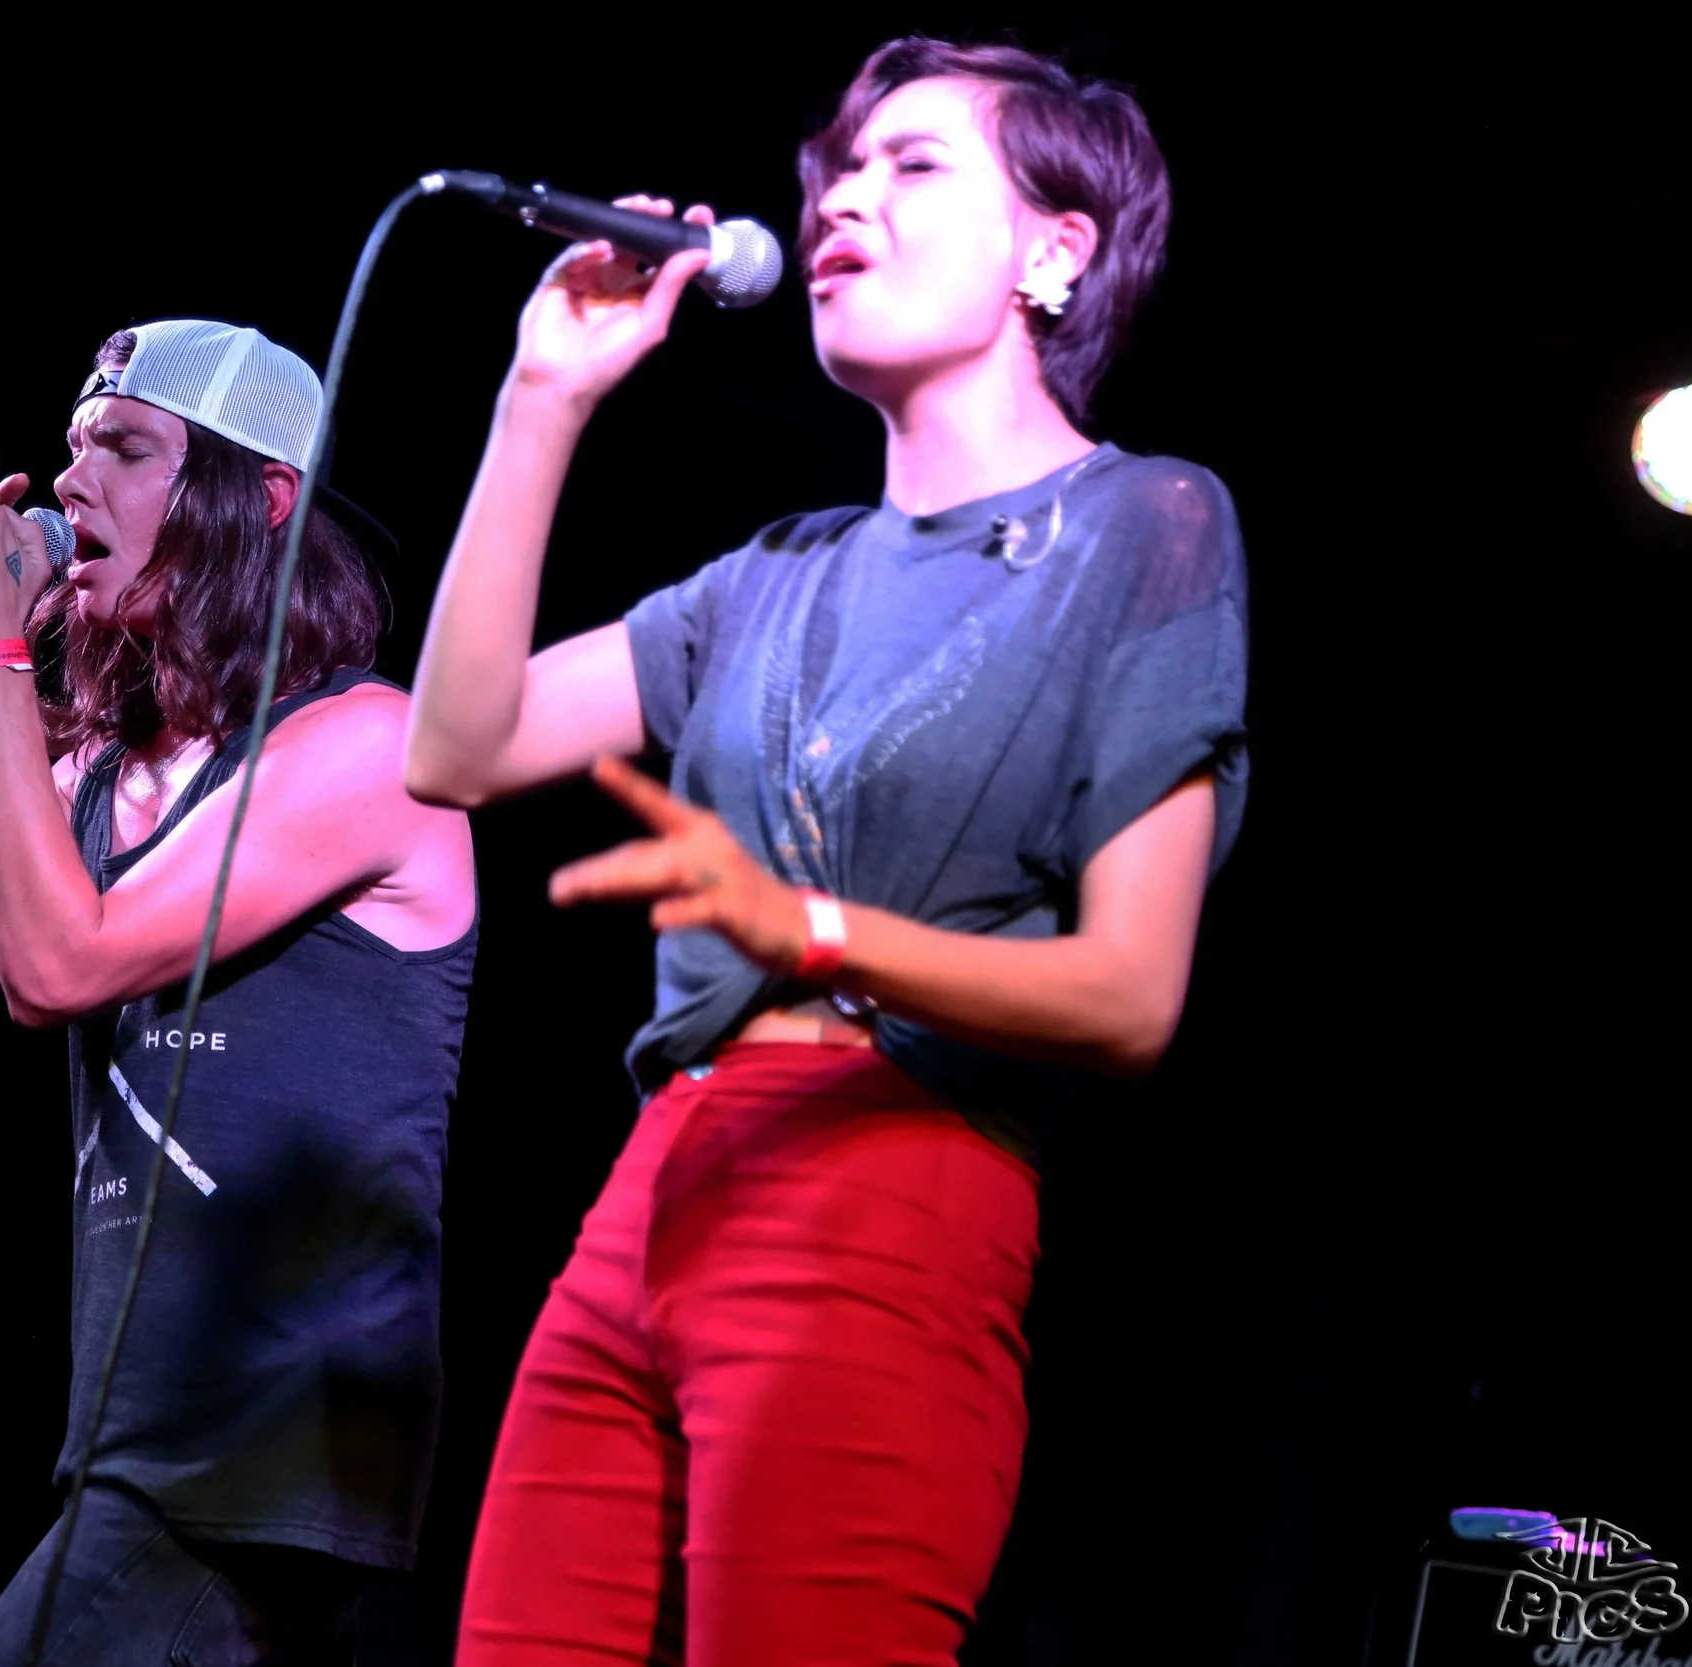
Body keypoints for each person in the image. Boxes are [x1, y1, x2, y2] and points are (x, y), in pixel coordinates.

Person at [404, 37, 1249, 1667]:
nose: (844, 201)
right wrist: (541, 402)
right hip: (651, 1190)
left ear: (1055, 248)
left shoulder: (1144, 524)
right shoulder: (770, 574)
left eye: (913, 165)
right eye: (838, 173)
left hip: (888, 1182)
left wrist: (806, 928)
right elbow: (458, 747)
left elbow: (1133, 993)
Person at [0, 319, 478, 1666]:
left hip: (269, 1445)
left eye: (126, 450)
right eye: (73, 448)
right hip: (137, 1440)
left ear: (262, 500)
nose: (73, 482)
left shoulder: (373, 746)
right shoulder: (91, 777)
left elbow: (59, 966)